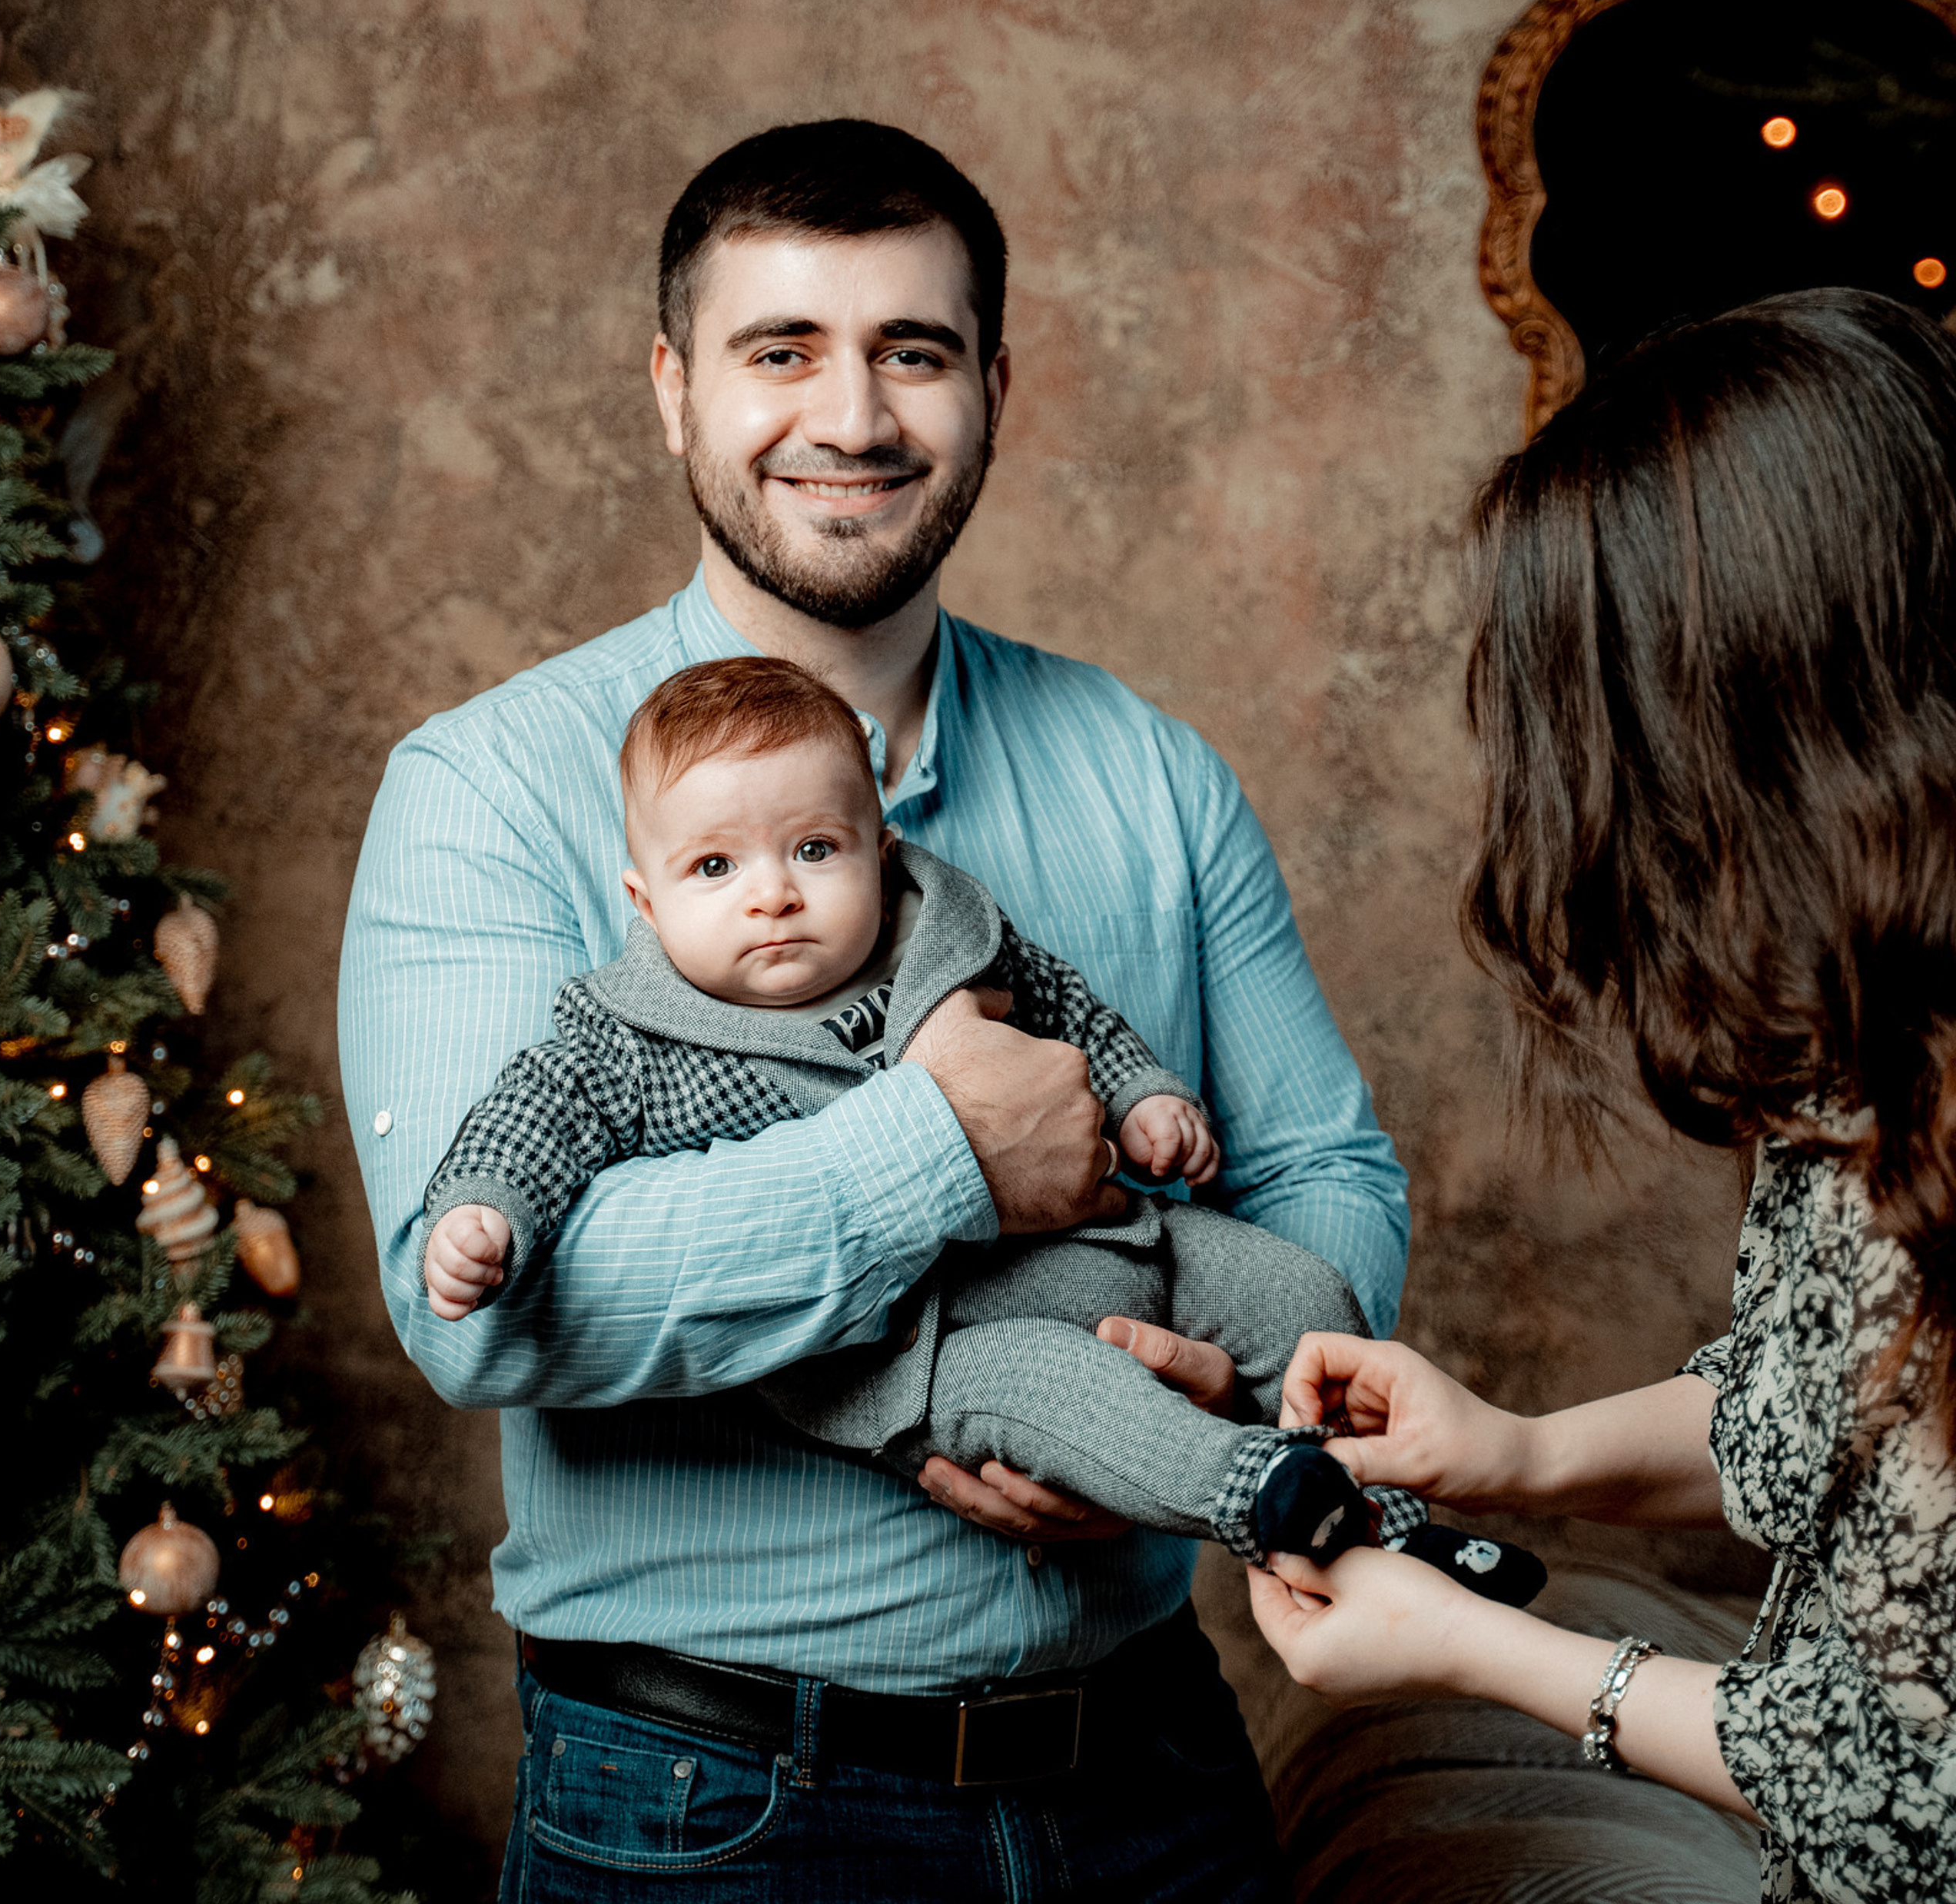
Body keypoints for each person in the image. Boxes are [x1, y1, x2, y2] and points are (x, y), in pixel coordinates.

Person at [340, 118, 1409, 1899]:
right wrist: (939, 1154)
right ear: (672, 390)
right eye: (781, 352)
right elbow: (480, 1317)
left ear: (991, 386)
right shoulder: (488, 789)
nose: (850, 419)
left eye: (910, 351)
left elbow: (1326, 1170)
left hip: (1148, 1776)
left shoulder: (1147, 771)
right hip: (708, 1807)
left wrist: (1197, 1388)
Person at [1247, 287, 1956, 1904]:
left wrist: (1483, 1648)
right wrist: (1509, 1449)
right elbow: (1815, 1398)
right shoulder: (1872, 1044)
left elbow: (1898, 1790)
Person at [417, 655, 1534, 1597]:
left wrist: (1144, 1095)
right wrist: (485, 1208)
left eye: (815, 850)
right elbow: (537, 1119)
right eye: (715, 867)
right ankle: (1267, 1498)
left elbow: (1072, 1011)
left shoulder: (948, 937)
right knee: (1074, 1403)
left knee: (1305, 1297)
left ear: (879, 847)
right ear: (646, 903)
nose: (773, 894)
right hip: (938, 1351)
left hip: (1123, 1248)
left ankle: (1400, 1523)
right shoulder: (632, 1038)